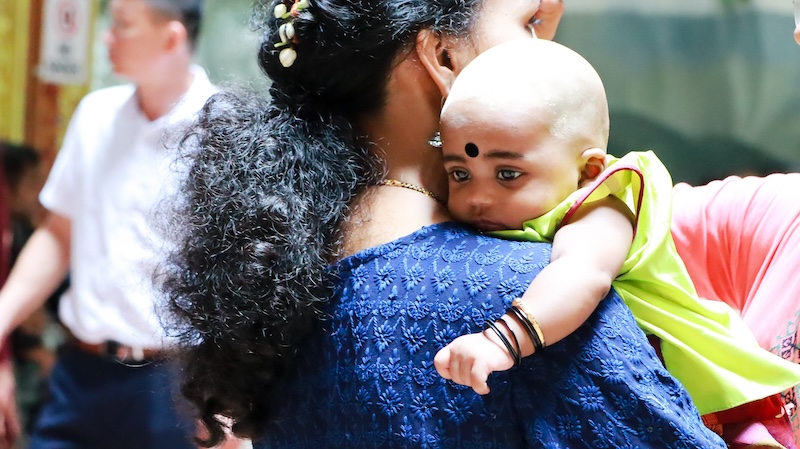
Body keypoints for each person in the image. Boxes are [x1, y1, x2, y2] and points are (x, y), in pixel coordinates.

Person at [158, 0, 727, 447]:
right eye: (529, 24)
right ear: (444, 60)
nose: (550, 48)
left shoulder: (274, 286)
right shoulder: (536, 297)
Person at [0, 0, 217, 448]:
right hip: (80, 372)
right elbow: (60, 234)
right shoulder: (95, 114)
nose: (107, 36)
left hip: (173, 385)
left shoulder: (222, 129)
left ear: (171, 37)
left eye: (121, 25)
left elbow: (242, 276)